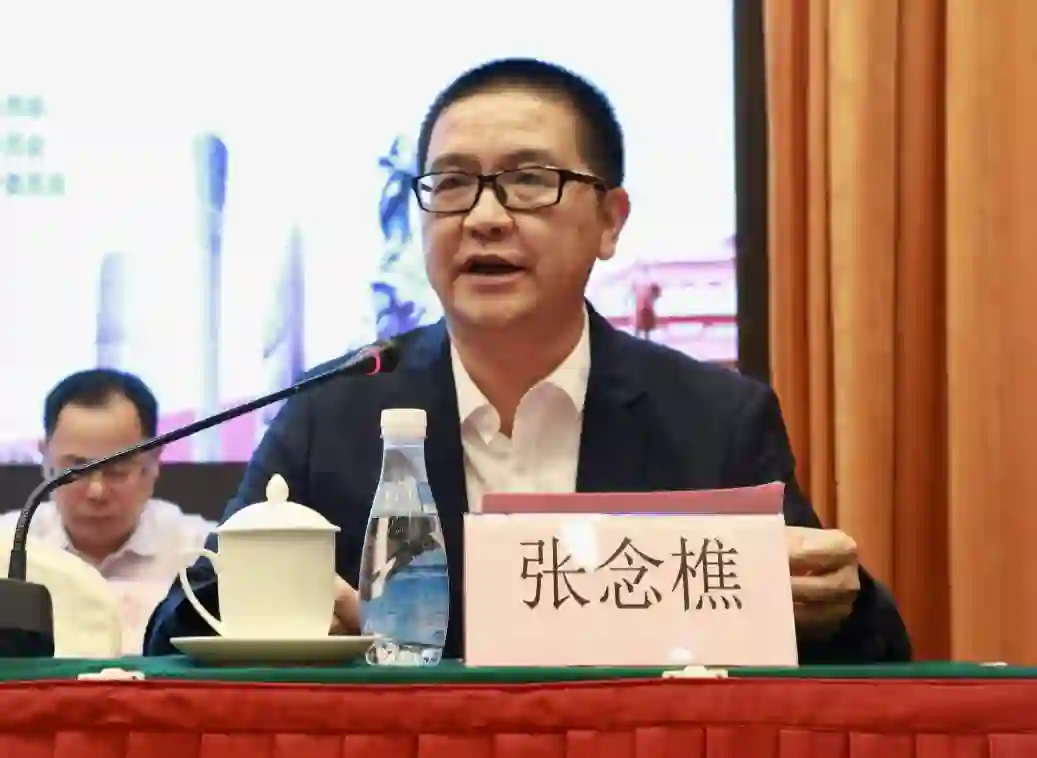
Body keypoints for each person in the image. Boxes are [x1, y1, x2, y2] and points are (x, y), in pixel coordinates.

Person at [145, 58, 911, 662]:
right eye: (451, 184)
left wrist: (835, 607)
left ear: (609, 220)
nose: (483, 217)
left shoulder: (712, 419)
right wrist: (266, 610)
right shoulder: (334, 410)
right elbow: (180, 622)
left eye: (529, 182)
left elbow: (857, 644)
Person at [0, 369, 215, 653]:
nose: (96, 491)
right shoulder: (5, 546)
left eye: (117, 469)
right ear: (45, 457)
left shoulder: (203, 554)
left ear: (153, 462)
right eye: (76, 468)